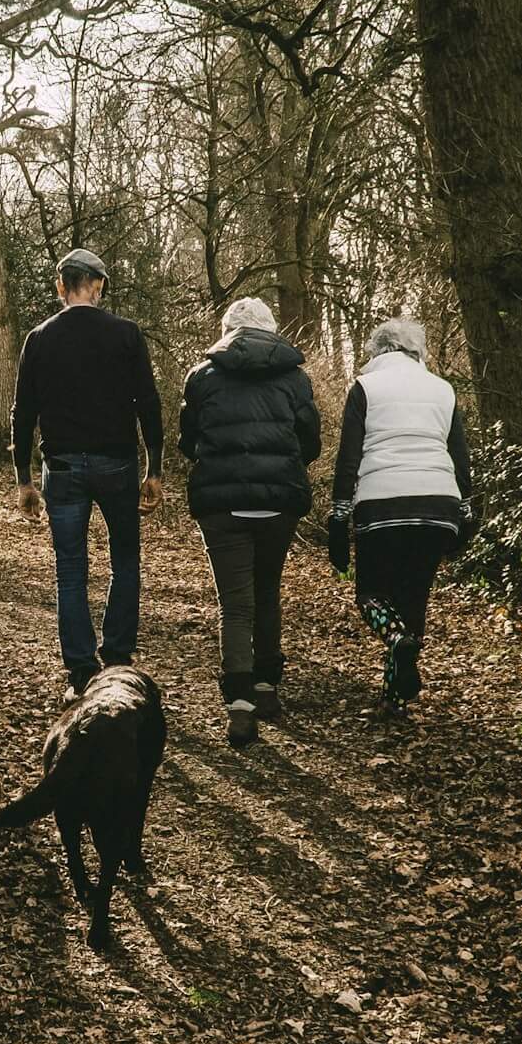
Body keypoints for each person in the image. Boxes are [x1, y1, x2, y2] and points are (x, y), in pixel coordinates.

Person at [12, 248, 165, 698]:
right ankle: (117, 659)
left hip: (60, 468)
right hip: (117, 463)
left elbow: (24, 414)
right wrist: (154, 469)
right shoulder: (126, 335)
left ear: (62, 286)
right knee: (125, 561)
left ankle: (81, 674)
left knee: (71, 571)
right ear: (97, 286)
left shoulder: (39, 339)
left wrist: (23, 479)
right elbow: (149, 405)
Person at [177, 297, 319, 747]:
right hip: (278, 499)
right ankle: (266, 687)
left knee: (235, 602)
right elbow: (309, 443)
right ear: (270, 330)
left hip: (222, 502)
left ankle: (239, 705)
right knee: (267, 590)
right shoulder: (295, 378)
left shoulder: (202, 377)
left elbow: (188, 440)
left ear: (227, 331)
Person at [327, 316, 477, 714]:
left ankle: (395, 642)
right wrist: (467, 511)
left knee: (372, 595)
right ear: (417, 352)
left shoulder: (365, 387)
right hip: (437, 504)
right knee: (414, 598)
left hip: (382, 504)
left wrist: (339, 517)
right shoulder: (443, 389)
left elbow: (349, 458)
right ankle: (394, 699)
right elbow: (460, 459)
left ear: (377, 351)